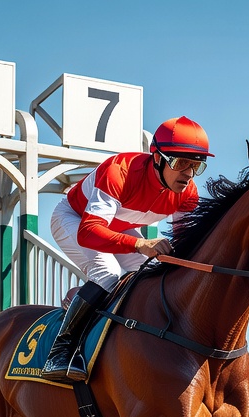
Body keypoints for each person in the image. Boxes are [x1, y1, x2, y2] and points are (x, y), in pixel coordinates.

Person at [41, 116, 211, 382]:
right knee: (108, 274)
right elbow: (88, 232)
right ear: (157, 158)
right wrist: (140, 243)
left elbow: (184, 244)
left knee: (153, 275)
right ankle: (60, 351)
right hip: (74, 218)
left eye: (196, 165)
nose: (188, 173)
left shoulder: (187, 193)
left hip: (119, 226)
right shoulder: (119, 170)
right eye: (180, 163)